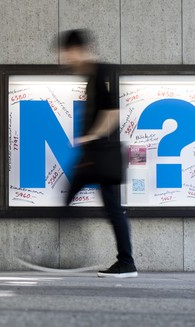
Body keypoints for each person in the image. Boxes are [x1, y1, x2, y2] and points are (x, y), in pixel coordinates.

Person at [59, 29, 138, 278]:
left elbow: (113, 113)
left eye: (65, 53)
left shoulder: (100, 73)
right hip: (96, 155)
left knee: (78, 199)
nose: (64, 59)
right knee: (109, 206)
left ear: (76, 50)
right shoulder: (92, 76)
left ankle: (122, 261)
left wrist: (91, 136)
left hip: (99, 155)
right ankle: (124, 260)